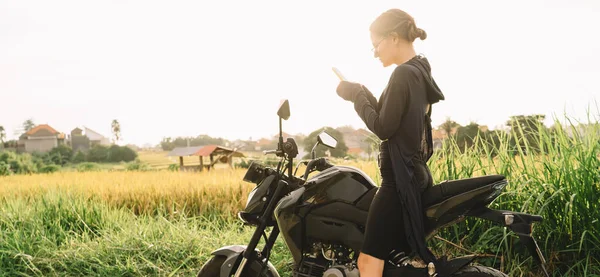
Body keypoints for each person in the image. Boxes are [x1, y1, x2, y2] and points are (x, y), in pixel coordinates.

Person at [335, 8, 445, 276]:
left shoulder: (403, 74)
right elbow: (393, 119)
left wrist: (356, 98)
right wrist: (360, 91)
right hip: (414, 173)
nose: (375, 52)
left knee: (368, 261)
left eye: (376, 45)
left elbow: (383, 128)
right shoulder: (419, 70)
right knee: (390, 258)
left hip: (398, 181)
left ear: (394, 38)